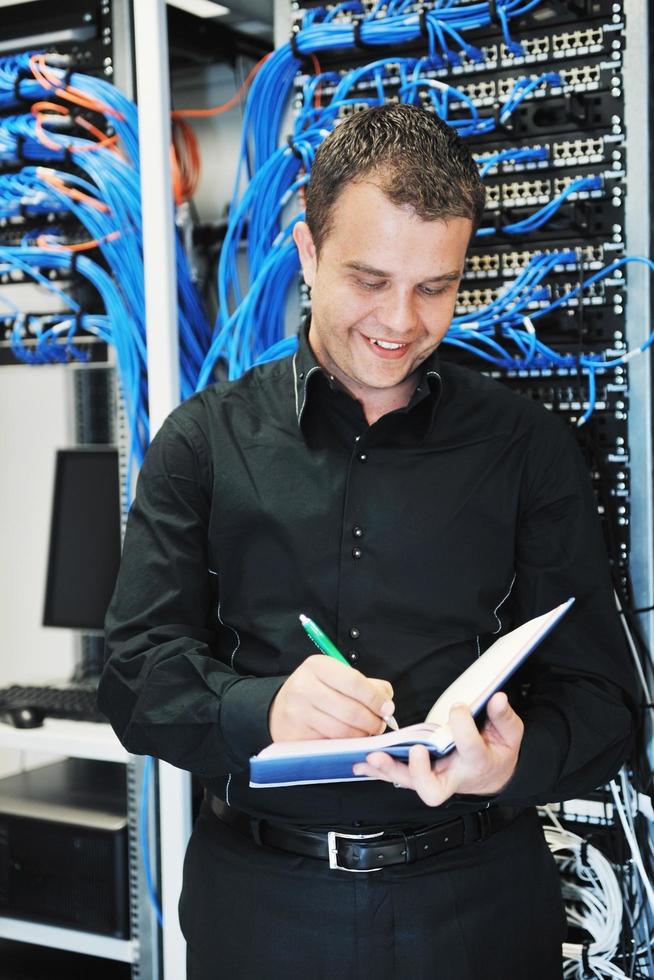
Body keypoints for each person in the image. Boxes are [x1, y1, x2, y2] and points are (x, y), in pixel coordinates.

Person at [98, 104, 637, 980]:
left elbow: (606, 703)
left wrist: (509, 760)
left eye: (436, 287)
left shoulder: (523, 447)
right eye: (370, 279)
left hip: (479, 904)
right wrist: (262, 707)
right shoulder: (203, 442)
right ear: (307, 254)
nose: (401, 321)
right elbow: (133, 678)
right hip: (264, 909)